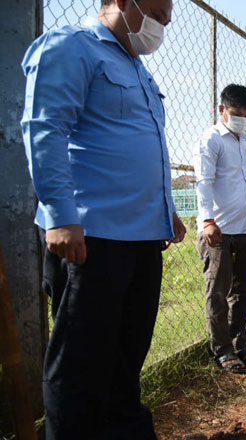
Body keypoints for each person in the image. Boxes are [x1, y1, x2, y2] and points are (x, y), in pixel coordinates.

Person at [20, 0, 185, 438]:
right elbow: (44, 127)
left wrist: (166, 209)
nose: (163, 21)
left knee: (126, 360)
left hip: (143, 237)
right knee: (81, 366)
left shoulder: (138, 69)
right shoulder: (72, 47)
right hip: (91, 237)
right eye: (155, 10)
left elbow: (140, 144)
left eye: (167, 14)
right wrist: (59, 216)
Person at [193, 84, 246, 374]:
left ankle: (238, 344)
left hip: (245, 228)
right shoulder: (211, 140)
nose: (242, 119)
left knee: (242, 291)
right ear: (222, 110)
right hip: (218, 230)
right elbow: (203, 181)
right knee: (218, 292)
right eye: (236, 113)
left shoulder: (244, 141)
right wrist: (207, 221)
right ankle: (221, 350)